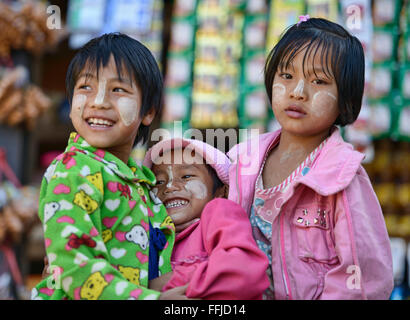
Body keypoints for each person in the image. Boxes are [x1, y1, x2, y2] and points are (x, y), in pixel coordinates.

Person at [227, 17, 394, 300]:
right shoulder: (239, 161)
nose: (297, 92)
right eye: (287, 76)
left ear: (346, 99)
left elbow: (364, 278)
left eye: (318, 81)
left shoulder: (343, 179)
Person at [32, 33, 187, 300]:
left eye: (118, 90)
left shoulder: (140, 181)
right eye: (85, 88)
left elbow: (145, 268)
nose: (99, 101)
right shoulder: (73, 170)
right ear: (70, 105)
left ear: (148, 111)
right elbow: (73, 265)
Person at [143, 137, 270, 299]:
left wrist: (161, 284)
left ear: (221, 191)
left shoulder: (219, 211)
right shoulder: (151, 233)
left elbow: (242, 271)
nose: (169, 187)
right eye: (159, 181)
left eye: (187, 176)